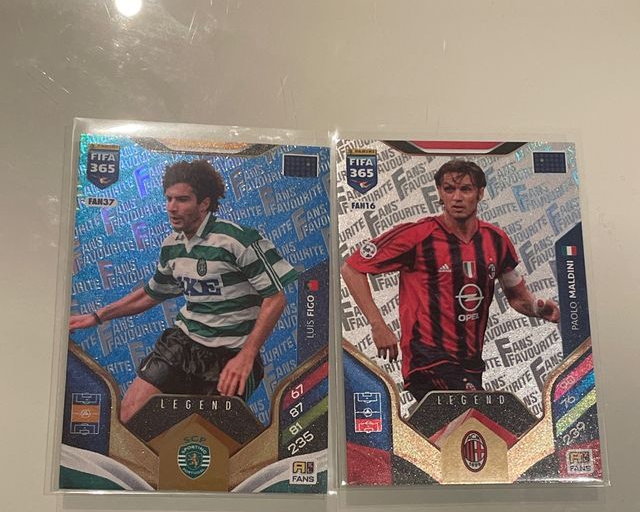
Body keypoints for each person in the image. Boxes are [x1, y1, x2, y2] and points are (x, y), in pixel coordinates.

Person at [70, 159, 298, 423]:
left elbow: (275, 298)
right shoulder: (172, 246)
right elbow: (151, 294)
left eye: (182, 199)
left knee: (204, 434)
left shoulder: (237, 240)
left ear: (204, 203)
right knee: (130, 415)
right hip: (183, 345)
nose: (172, 207)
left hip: (230, 354)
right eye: (168, 199)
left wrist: (246, 356)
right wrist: (97, 316)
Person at [341, 159, 560, 401]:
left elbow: (518, 298)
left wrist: (538, 308)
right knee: (476, 413)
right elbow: (352, 269)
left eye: (465, 189)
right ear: (439, 192)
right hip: (427, 359)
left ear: (480, 193)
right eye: (449, 189)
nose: (457, 197)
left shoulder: (496, 240)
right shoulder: (417, 236)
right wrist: (378, 326)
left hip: (471, 364)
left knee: (462, 424)